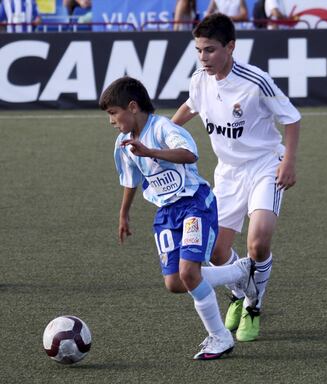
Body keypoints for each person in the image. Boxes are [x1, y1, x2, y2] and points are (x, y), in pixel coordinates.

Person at [99, 76, 259, 360]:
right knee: (174, 282)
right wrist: (124, 214)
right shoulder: (123, 143)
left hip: (195, 204)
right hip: (166, 213)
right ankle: (240, 271)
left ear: (132, 107)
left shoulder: (163, 128)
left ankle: (220, 337)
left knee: (189, 273)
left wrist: (151, 151)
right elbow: (130, 179)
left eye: (113, 113)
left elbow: (189, 154)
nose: (111, 120)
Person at [172, 13, 301, 342]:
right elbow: (191, 106)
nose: (204, 58)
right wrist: (167, 136)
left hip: (264, 166)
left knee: (257, 243)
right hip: (227, 172)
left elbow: (292, 118)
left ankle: (254, 306)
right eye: (199, 50)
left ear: (230, 47)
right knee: (216, 251)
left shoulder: (255, 80)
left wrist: (289, 162)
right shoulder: (200, 79)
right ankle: (239, 293)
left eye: (211, 50)